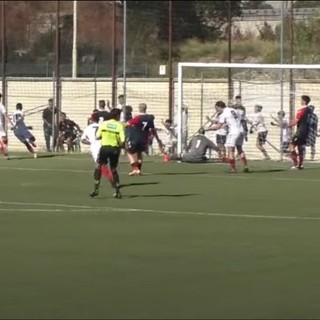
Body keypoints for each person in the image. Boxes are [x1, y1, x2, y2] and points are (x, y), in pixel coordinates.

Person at [90, 108, 125, 199]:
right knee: (113, 169)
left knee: (98, 166)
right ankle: (117, 191)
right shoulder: (119, 125)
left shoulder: (104, 124)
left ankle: (96, 189)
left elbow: (97, 137)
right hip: (114, 148)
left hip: (104, 148)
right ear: (117, 116)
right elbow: (123, 140)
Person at [207, 100, 249, 173]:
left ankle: (233, 168)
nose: (216, 110)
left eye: (216, 109)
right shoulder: (233, 110)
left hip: (233, 132)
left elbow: (218, 126)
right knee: (240, 149)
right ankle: (245, 166)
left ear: (220, 107)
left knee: (231, 150)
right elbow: (239, 119)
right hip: (241, 131)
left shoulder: (223, 114)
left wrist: (208, 129)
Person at [125, 103, 163, 176]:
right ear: (146, 108)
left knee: (129, 151)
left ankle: (135, 168)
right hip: (144, 139)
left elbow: (127, 124)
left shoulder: (137, 118)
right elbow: (152, 129)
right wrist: (157, 139)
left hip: (135, 138)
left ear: (139, 108)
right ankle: (139, 170)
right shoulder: (150, 118)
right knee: (139, 153)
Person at [81, 112, 113, 182]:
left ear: (92, 119)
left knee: (99, 164)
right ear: (99, 119)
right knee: (102, 163)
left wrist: (91, 142)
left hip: (95, 147)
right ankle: (100, 179)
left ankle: (109, 179)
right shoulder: (103, 126)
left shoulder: (88, 128)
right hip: (104, 145)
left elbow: (83, 140)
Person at [288, 95, 313, 169]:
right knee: (300, 148)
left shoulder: (301, 110)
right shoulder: (309, 110)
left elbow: (296, 121)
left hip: (300, 131)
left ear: (304, 101)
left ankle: (296, 163)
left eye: (301, 100)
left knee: (292, 146)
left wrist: (287, 125)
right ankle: (301, 164)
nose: (300, 101)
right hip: (306, 132)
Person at [0, 93, 12, 159]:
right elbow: (5, 116)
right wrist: (10, 123)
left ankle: (3, 150)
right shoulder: (1, 106)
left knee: (3, 139)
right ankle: (5, 152)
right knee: (4, 139)